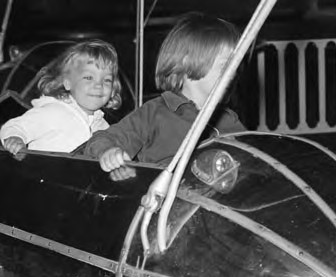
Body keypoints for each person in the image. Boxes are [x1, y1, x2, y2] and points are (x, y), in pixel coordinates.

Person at [84, 12, 245, 178]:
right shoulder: (154, 112)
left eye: (236, 65)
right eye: (226, 65)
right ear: (187, 60)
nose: (233, 73)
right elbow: (104, 138)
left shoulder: (229, 119)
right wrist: (108, 152)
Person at [0, 39, 122, 155]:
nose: (99, 85)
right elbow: (15, 127)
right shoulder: (52, 112)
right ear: (68, 83)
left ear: (113, 90)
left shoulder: (102, 126)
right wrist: (15, 139)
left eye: (107, 80)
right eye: (89, 77)